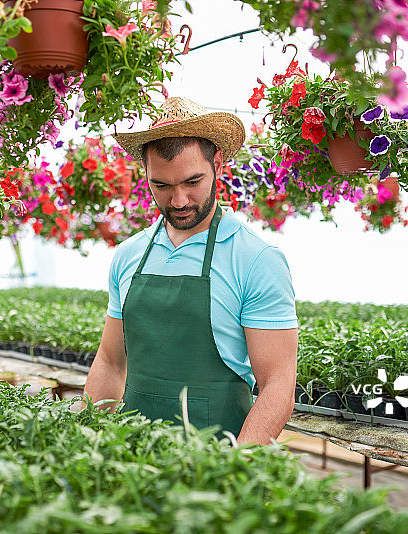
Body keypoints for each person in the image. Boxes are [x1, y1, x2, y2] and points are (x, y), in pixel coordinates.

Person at [83, 97, 298, 445]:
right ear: (146, 174)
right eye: (162, 186)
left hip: (216, 465)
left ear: (218, 163)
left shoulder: (257, 259)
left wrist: (234, 471)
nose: (179, 200)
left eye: (192, 182)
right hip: (132, 460)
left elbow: (278, 385)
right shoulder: (128, 255)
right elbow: (110, 363)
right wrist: (89, 445)